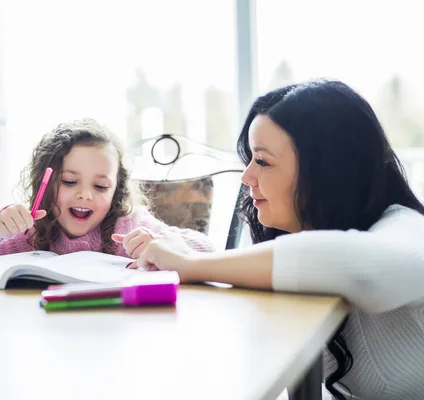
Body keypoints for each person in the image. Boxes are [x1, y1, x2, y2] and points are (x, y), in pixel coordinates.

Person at [131, 80, 424, 399]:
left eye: (263, 161)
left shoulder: (407, 228)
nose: (247, 178)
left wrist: (189, 264)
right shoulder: (305, 237)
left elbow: (364, 269)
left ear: (328, 170)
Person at [0, 118, 214, 261]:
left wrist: (159, 246)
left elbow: (206, 250)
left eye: (100, 186)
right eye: (69, 181)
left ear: (116, 192)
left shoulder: (128, 226)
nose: (85, 194)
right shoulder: (26, 230)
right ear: (45, 181)